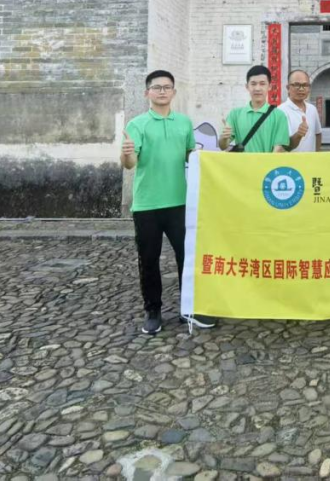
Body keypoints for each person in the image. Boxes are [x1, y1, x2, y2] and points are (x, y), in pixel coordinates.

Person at [121, 70, 215, 336]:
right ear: (147, 93)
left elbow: (189, 155)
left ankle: (191, 308)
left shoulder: (184, 123)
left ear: (174, 92)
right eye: (157, 87)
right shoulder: (137, 125)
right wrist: (126, 154)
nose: (162, 91)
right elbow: (130, 163)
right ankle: (153, 311)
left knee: (187, 257)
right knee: (149, 260)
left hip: (179, 203)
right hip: (147, 205)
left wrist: (202, 156)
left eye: (167, 87)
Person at [219, 65, 290, 153]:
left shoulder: (279, 116)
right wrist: (224, 138)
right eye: (253, 84)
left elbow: (278, 149)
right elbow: (223, 146)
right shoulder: (235, 114)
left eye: (262, 84)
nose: (257, 88)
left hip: (268, 162)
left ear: (270, 86)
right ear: (247, 86)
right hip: (242, 162)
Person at [280, 69, 323, 152]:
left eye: (305, 85)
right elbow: (285, 145)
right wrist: (299, 134)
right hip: (292, 160)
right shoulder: (281, 111)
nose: (301, 89)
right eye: (296, 85)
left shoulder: (312, 109)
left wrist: (317, 155)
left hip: (311, 159)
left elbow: (318, 134)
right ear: (288, 88)